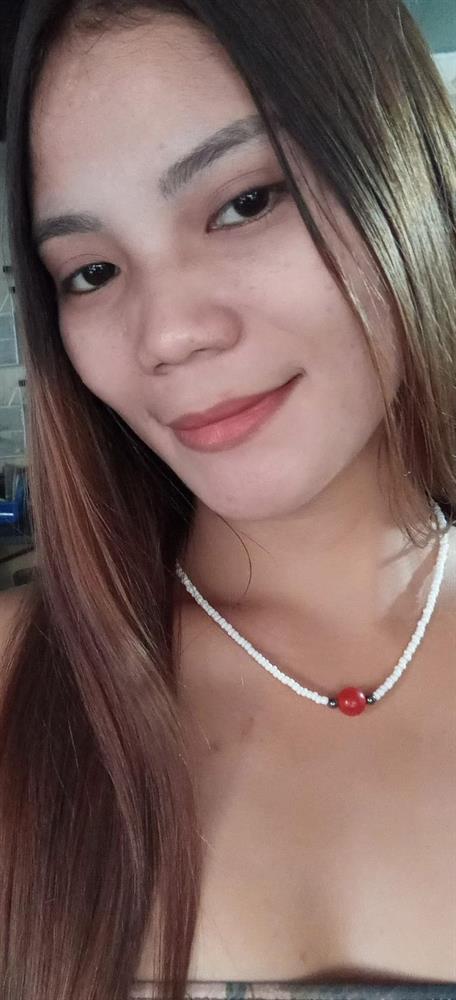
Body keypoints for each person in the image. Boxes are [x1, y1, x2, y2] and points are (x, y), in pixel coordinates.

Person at [0, 0, 455, 998]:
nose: (167, 333)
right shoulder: (18, 679)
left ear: (405, 179)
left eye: (245, 202)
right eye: (92, 271)